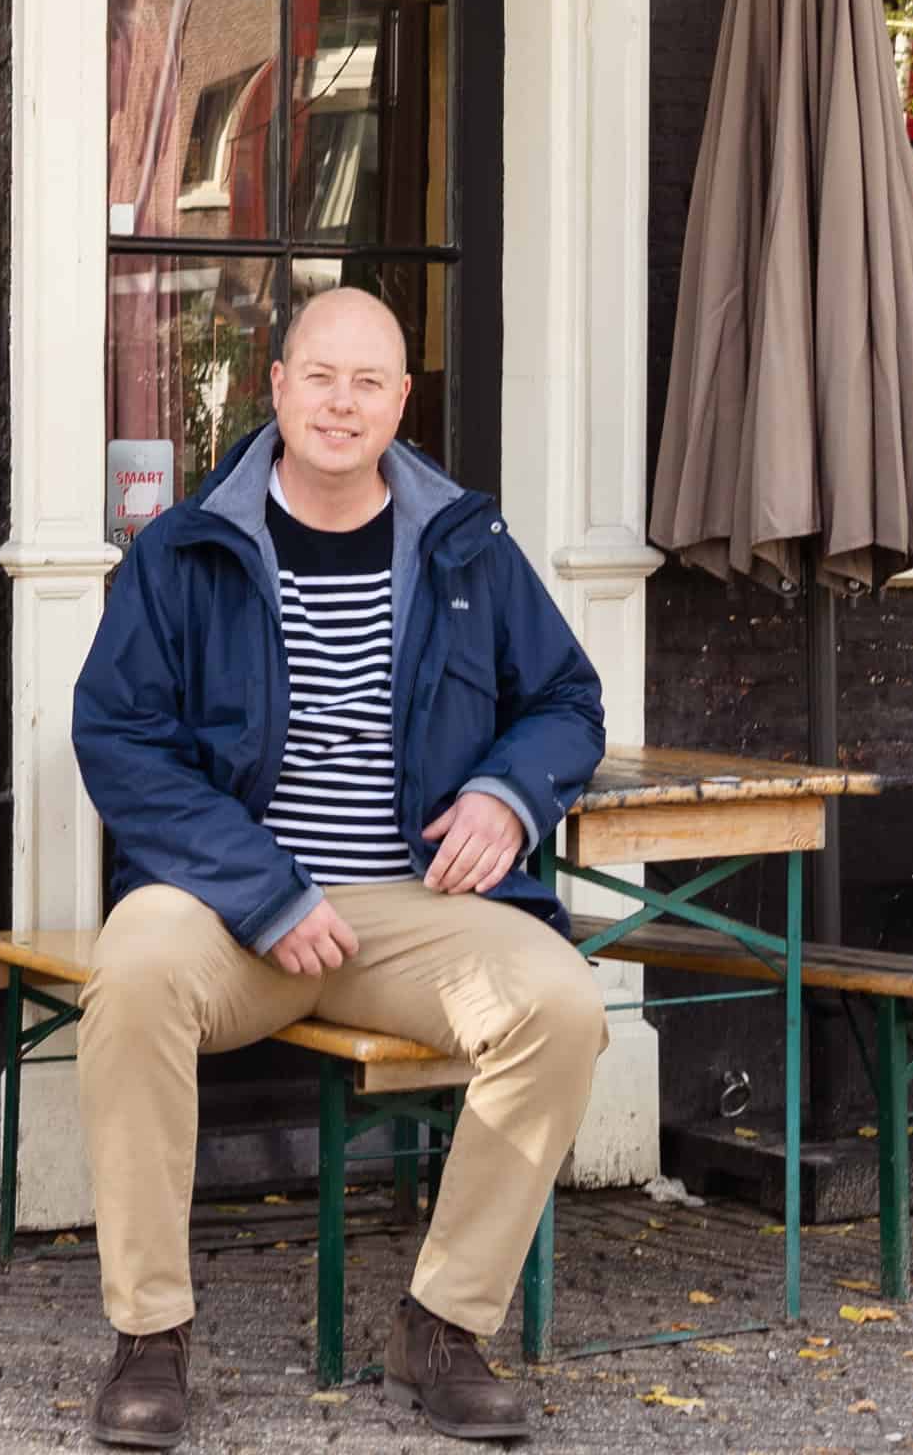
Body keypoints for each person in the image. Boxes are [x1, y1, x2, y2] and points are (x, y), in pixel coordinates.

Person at [72, 286, 608, 1449]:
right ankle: (150, 1336)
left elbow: (569, 700)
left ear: (402, 401)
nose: (342, 402)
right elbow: (120, 739)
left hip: (416, 910)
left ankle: (444, 1325)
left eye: (370, 382)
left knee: (562, 1005)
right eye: (321, 375)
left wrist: (510, 796)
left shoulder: (467, 543)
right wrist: (261, 890)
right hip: (232, 909)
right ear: (277, 384)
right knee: (133, 977)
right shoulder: (186, 548)